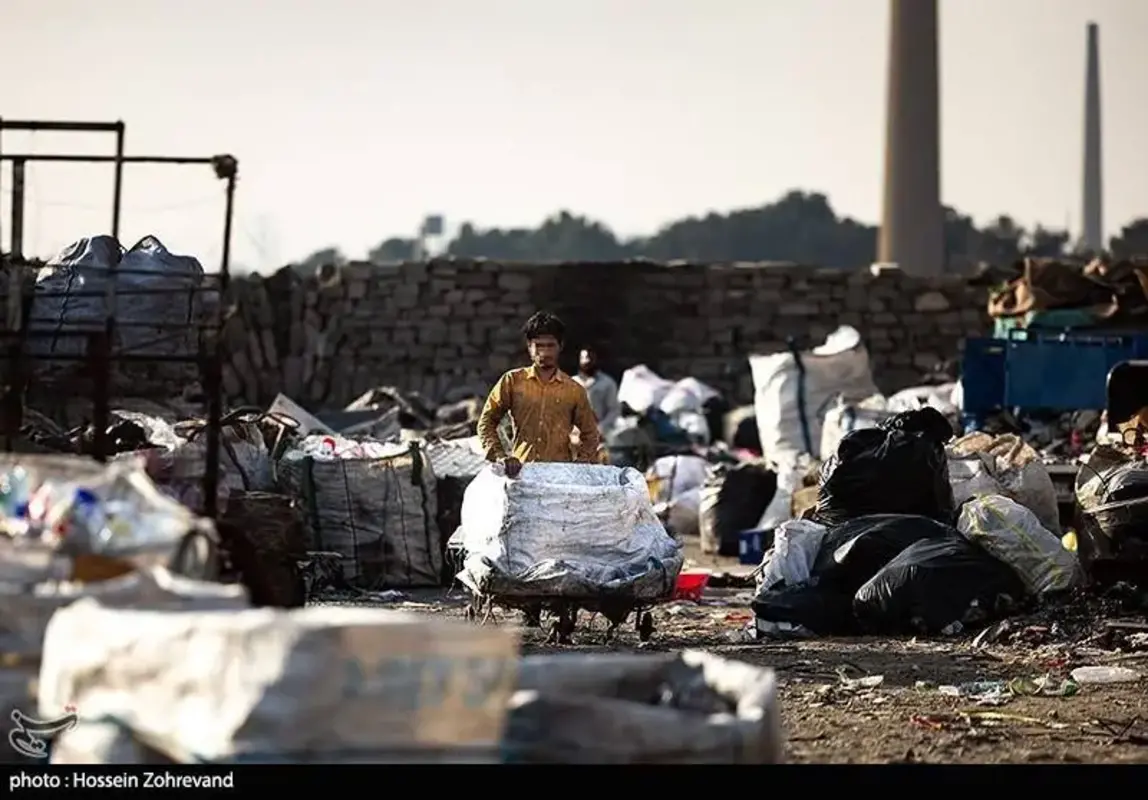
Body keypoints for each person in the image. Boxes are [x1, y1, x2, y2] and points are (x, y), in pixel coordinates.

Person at [476, 311, 602, 479]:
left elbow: (591, 434)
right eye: (539, 346)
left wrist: (579, 467)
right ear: (529, 346)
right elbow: (486, 422)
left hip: (559, 478)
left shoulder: (574, 390)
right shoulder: (512, 381)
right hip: (521, 475)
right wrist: (501, 457)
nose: (545, 353)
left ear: (560, 346)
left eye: (550, 346)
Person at [573, 347, 621, 436]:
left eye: (590, 358)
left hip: (601, 434)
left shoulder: (607, 383)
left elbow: (614, 410)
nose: (587, 361)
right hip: (575, 434)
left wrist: (601, 428)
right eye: (584, 358)